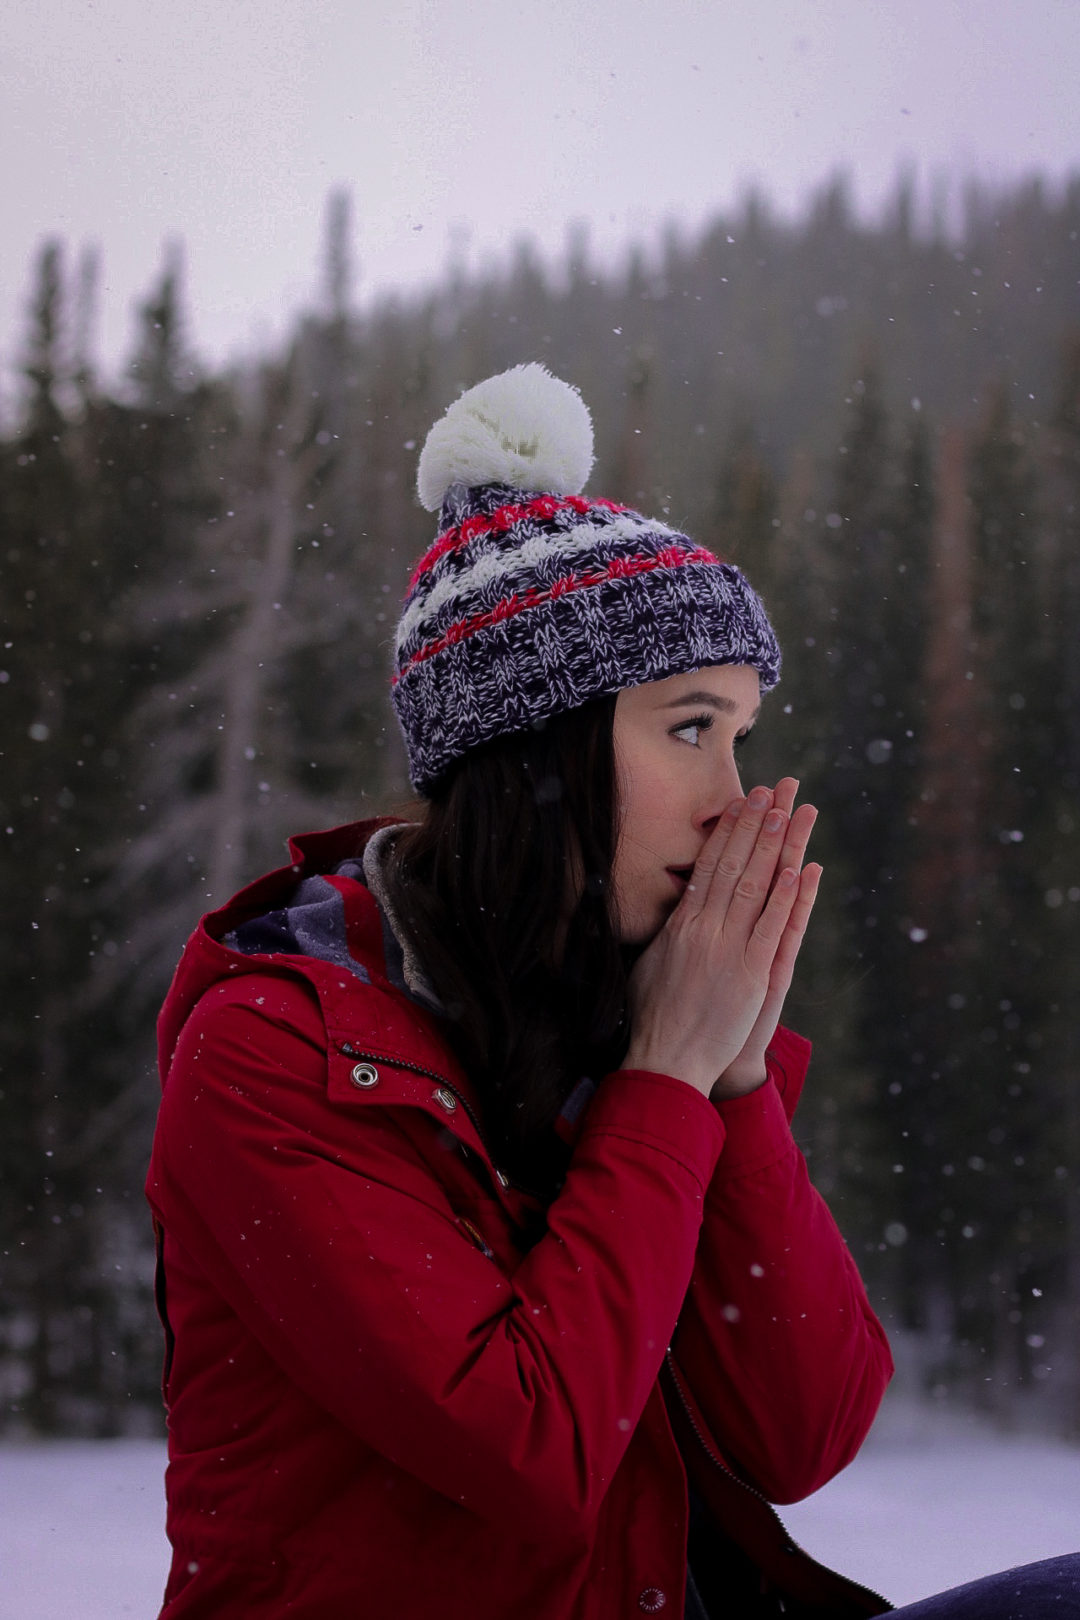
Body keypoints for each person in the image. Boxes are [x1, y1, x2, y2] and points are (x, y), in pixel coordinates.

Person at [146, 365, 1079, 1619]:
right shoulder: (274, 1052)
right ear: (536, 753)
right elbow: (533, 1450)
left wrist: (733, 1079)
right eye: (690, 728)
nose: (733, 799)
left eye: (742, 737)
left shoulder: (618, 1006)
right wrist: (666, 1083)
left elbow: (804, 1434)